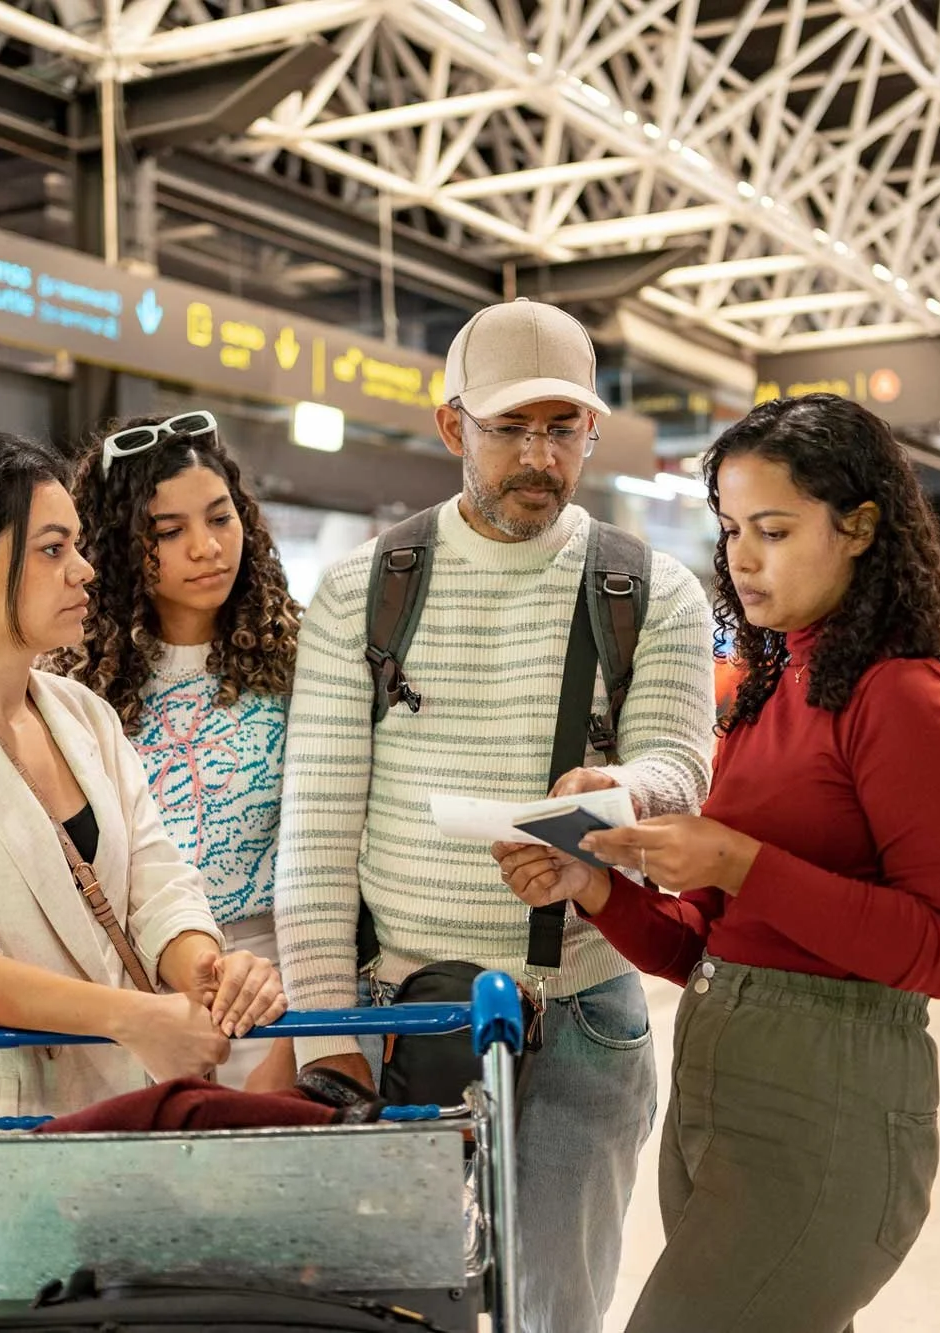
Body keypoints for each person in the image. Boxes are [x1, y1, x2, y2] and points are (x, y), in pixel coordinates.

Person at [493, 393, 940, 1333]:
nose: (743, 557)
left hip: (829, 1108)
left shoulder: (909, 702)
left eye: (773, 528)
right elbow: (716, 950)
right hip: (723, 1087)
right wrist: (596, 885)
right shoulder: (778, 691)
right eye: (730, 530)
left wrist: (737, 858)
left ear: (859, 527)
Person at [274, 298, 717, 1333]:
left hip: (579, 1014)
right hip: (404, 1018)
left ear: (591, 433)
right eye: (509, 428)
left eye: (561, 429)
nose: (537, 455)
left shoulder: (648, 590)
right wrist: (326, 1041)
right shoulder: (366, 592)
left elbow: (680, 762)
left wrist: (616, 793)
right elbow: (319, 830)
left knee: (558, 1311)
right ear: (450, 427)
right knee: (404, 1308)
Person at [0, 432, 286, 1211]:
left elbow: (158, 883)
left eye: (77, 544)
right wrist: (132, 1017)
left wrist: (208, 968)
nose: (86, 568)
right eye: (53, 548)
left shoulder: (83, 714)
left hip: (119, 1119)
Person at [55, 410, 303, 1091]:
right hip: (130, 999)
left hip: (277, 989)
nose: (207, 547)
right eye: (169, 531)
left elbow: (337, 855)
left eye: (221, 519)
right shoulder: (69, 687)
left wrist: (303, 1038)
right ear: (117, 546)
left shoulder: (299, 663)